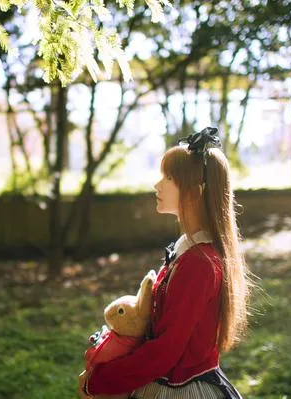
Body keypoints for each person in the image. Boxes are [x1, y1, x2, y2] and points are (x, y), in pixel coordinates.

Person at [78, 127, 251, 399]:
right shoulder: (189, 251)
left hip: (180, 388)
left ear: (196, 190)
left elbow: (165, 352)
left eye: (168, 178)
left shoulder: (200, 263)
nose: (158, 185)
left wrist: (100, 380)